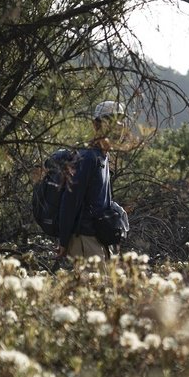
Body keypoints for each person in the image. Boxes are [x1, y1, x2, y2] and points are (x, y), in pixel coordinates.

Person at [57, 100, 126, 259]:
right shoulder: (88, 157)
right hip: (85, 238)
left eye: (120, 121)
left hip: (98, 238)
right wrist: (63, 240)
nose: (118, 126)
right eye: (110, 121)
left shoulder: (103, 155)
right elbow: (70, 200)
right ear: (96, 125)